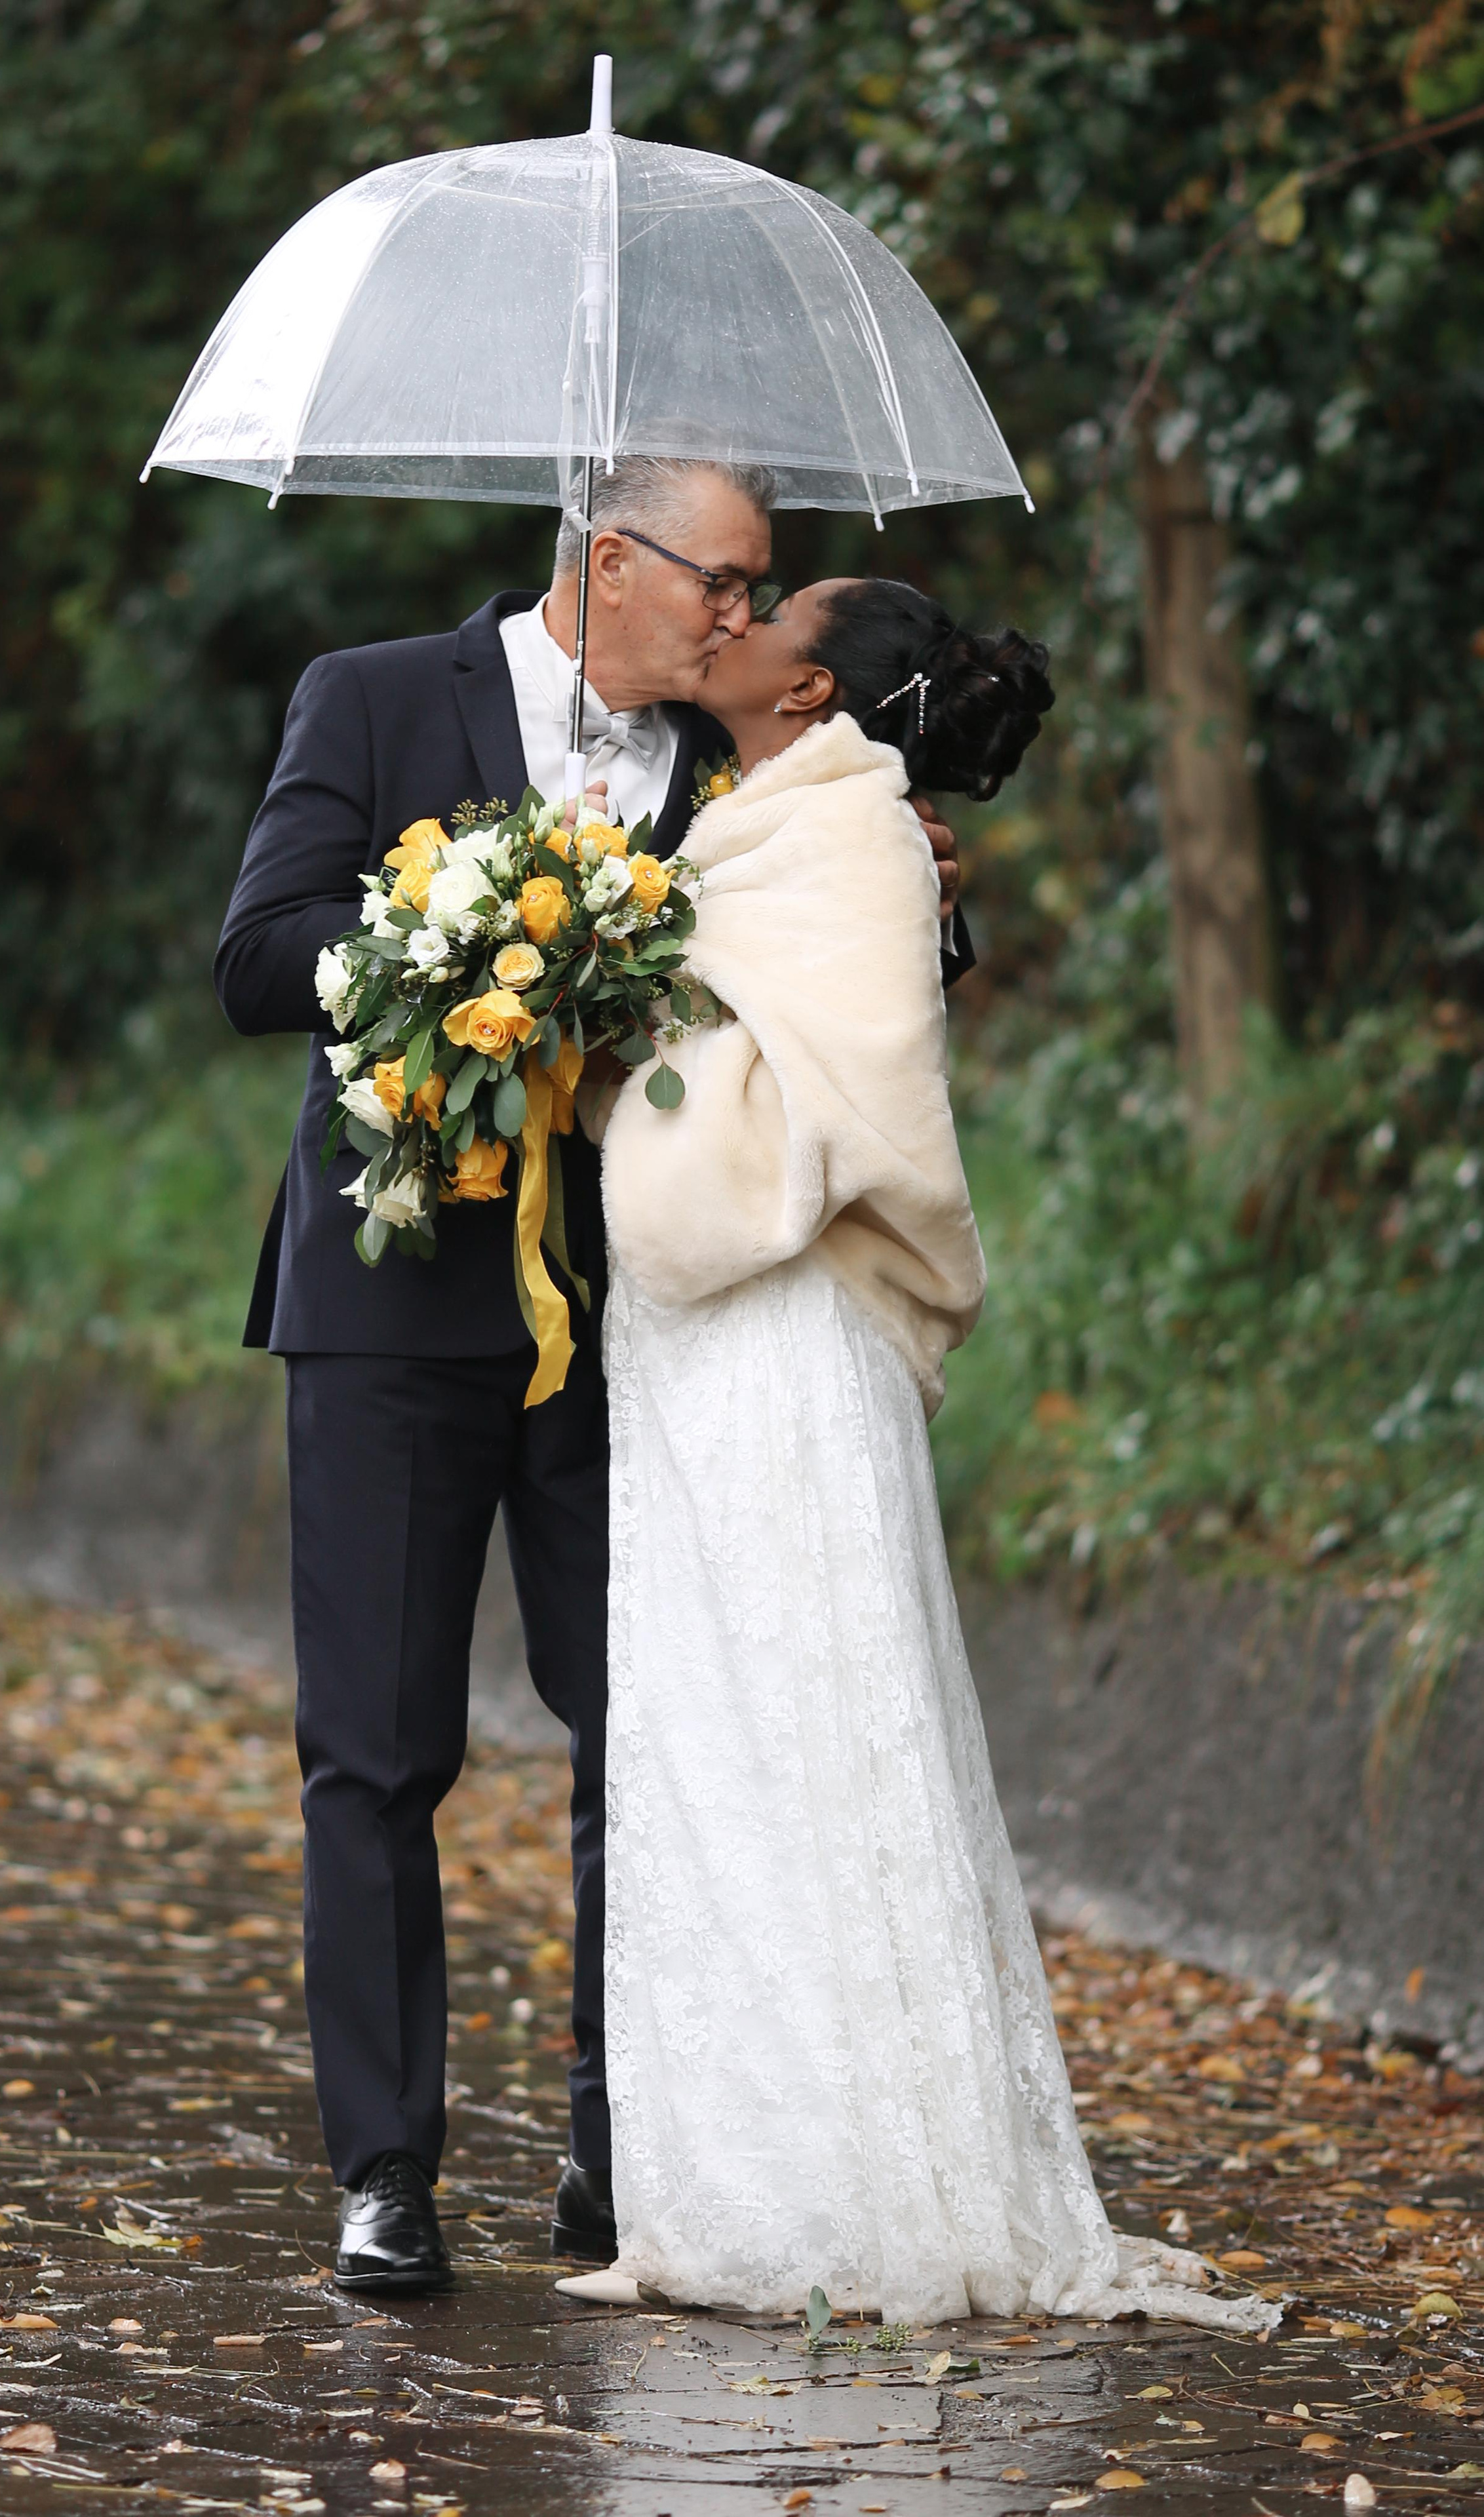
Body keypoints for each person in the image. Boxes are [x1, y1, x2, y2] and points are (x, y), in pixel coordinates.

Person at [214, 469, 972, 2293]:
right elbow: (256, 959)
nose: (738, 623)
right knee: (378, 1753)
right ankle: (386, 2172)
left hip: (640, 1320)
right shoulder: (375, 694)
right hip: (394, 1306)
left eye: (757, 598)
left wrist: (936, 896)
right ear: (607, 560)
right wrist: (469, 946)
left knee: (646, 1737)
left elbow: (831, 949)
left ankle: (623, 2149)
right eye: (722, 586)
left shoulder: (728, 758)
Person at [565, 577, 1277, 2334]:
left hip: (785, 1336)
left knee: (815, 1729)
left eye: (753, 614)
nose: (717, 624)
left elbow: (839, 1095)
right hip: (691, 1343)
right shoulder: (743, 819)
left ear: (807, 687)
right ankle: (724, 2185)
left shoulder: (858, 844)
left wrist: (619, 1058)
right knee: (706, 1735)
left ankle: (859, 2192)